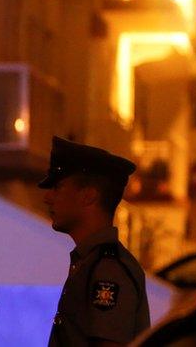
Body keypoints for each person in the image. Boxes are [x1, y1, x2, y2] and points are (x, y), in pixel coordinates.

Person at [41, 136, 150, 347]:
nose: (48, 197)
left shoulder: (107, 271)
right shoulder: (91, 263)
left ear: (88, 196)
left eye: (58, 187)